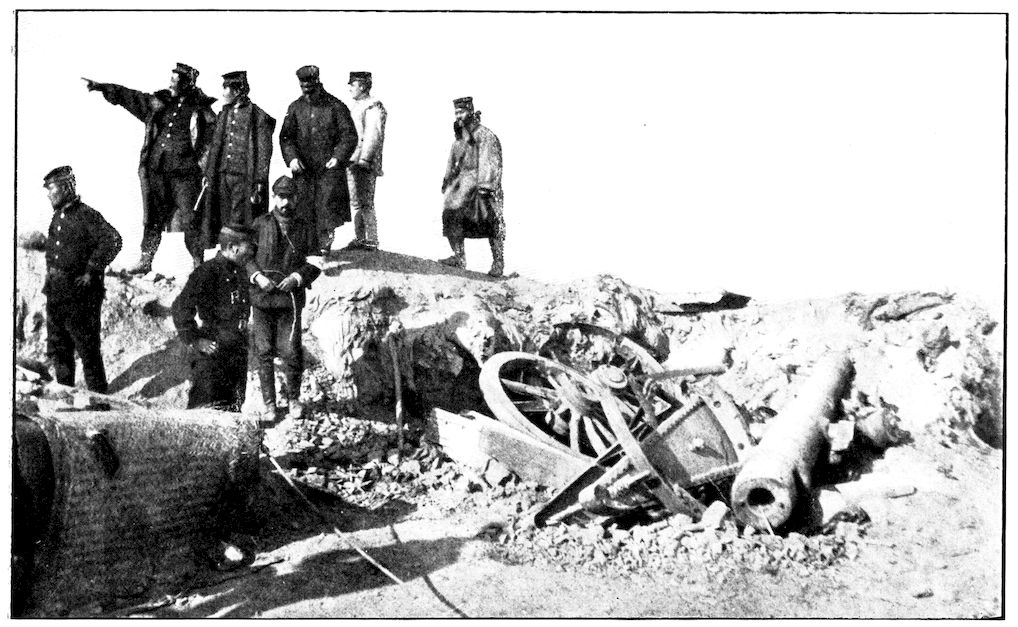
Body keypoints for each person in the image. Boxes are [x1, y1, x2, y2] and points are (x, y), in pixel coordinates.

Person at [83, 63, 215, 271]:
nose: (171, 85)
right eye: (171, 80)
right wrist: (103, 87)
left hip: (186, 175)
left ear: (187, 84)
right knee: (152, 217)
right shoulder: (158, 103)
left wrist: (204, 169)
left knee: (191, 219)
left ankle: (198, 265)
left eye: (176, 82)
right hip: (156, 171)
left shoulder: (202, 110)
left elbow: (211, 144)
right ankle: (145, 260)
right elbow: (132, 97)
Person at [42, 166, 123, 393]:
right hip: (57, 294)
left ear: (65, 188)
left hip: (81, 296)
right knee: (59, 347)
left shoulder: (87, 215)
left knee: (87, 349)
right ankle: (65, 394)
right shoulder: (57, 217)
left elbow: (113, 240)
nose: (48, 195)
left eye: (51, 189)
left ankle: (99, 398)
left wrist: (92, 270)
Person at [247, 176, 321, 423]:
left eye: (289, 197)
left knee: (291, 351)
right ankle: (269, 405)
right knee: (264, 352)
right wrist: (258, 277)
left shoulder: (304, 227)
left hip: (290, 302)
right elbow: (246, 257)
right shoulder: (259, 224)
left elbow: (316, 262)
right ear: (274, 197)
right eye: (280, 197)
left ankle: (294, 400)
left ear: (296, 198)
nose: (285, 202)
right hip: (262, 300)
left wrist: (297, 278)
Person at [171, 224, 256, 411]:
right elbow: (180, 307)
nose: (252, 252)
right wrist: (195, 340)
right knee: (205, 407)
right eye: (249, 247)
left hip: (237, 351)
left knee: (233, 408)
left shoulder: (240, 271)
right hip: (214, 352)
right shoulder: (207, 272)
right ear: (233, 247)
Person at [279, 65, 358, 254]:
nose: (306, 91)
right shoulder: (295, 107)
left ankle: (323, 246)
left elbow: (349, 136)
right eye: (303, 87)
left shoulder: (336, 106)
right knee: (303, 208)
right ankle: (306, 247)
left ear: (317, 83)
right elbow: (286, 137)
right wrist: (292, 158)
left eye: (310, 87)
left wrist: (338, 157)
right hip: (303, 170)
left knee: (326, 209)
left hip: (328, 169)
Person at [200, 71, 275, 251]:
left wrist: (259, 180)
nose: (223, 93)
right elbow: (215, 146)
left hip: (243, 178)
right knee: (223, 217)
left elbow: (264, 151)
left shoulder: (257, 115)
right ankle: (227, 253)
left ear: (237, 90)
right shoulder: (224, 113)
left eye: (226, 88)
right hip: (222, 176)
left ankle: (238, 255)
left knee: (239, 219)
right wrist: (208, 175)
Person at [439, 97, 505, 277]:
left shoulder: (485, 135)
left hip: (484, 187)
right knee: (451, 215)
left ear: (470, 111)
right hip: (462, 187)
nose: (458, 116)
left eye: (461, 112)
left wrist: (485, 186)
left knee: (491, 222)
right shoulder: (460, 139)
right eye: (456, 113)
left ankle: (498, 262)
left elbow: (490, 161)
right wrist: (447, 180)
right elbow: (453, 162)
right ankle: (458, 257)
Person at [343, 71, 387, 252]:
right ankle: (360, 238)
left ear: (362, 86)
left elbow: (372, 135)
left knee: (366, 202)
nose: (350, 89)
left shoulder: (373, 106)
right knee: (356, 202)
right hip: (353, 161)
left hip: (363, 163)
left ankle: (372, 239)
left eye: (353, 85)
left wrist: (365, 159)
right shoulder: (358, 106)